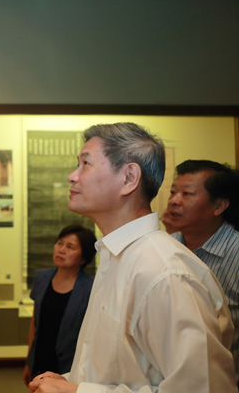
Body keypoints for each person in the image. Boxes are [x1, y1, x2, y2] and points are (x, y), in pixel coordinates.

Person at [30, 123, 236, 393]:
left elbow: (202, 389)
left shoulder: (165, 274)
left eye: (85, 164)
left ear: (129, 178)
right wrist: (69, 381)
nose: (72, 176)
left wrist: (79, 391)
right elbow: (126, 367)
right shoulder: (115, 256)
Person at [164, 160, 239, 381]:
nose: (174, 201)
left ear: (219, 206)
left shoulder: (235, 252)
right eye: (173, 192)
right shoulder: (166, 246)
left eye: (187, 194)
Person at [23, 225, 97, 386]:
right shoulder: (41, 277)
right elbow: (35, 324)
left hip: (69, 366)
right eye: (60, 243)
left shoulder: (91, 288)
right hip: (40, 360)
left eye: (70, 247)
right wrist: (29, 361)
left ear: (84, 258)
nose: (61, 250)